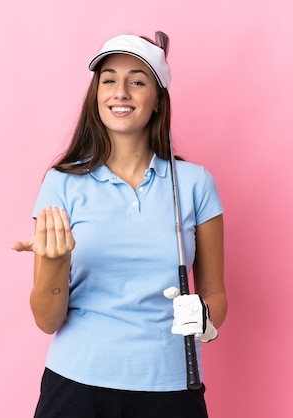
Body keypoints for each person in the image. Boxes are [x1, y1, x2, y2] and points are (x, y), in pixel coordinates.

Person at [12, 31, 227, 418]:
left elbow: (215, 294)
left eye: (137, 81)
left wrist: (207, 319)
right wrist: (57, 261)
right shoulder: (62, 183)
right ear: (96, 96)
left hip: (172, 386)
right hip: (77, 384)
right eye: (108, 79)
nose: (120, 91)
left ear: (158, 99)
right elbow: (47, 320)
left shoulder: (195, 183)